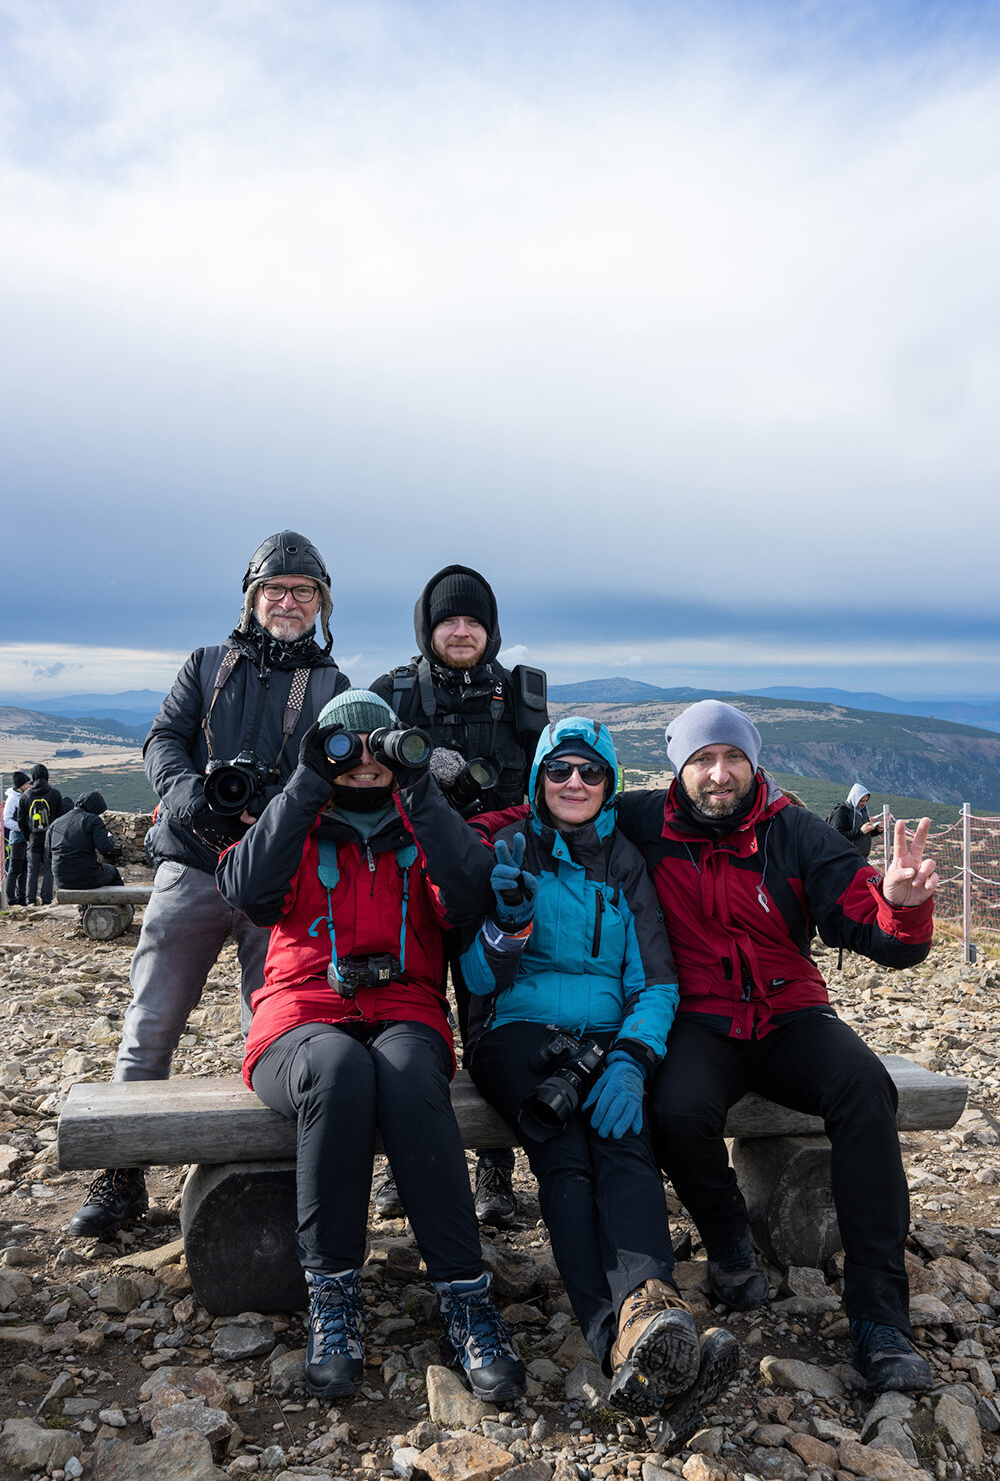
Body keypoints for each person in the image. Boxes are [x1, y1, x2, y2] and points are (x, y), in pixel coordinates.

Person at [615, 699, 939, 1394]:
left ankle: (880, 1321)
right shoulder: (642, 821)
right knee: (674, 1109)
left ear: (753, 762)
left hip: (791, 1015)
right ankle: (730, 1238)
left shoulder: (796, 832)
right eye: (703, 759)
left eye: (733, 757)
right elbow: (557, 815)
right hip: (700, 1020)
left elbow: (873, 932)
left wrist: (902, 905)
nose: (720, 773)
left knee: (864, 1087)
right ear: (680, 768)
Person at [217, 689, 525, 1405]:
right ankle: (333, 1296)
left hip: (406, 1006)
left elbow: (473, 895)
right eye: (342, 748)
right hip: (299, 1017)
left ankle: (465, 1296)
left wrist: (418, 788)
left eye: (377, 746)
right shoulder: (294, 823)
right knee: (337, 1068)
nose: (362, 763)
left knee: (412, 1071)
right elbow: (246, 887)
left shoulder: (424, 826)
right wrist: (306, 781)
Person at [68, 530, 349, 1239]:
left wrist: (280, 806)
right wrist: (190, 793)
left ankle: (272, 1169)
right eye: (275, 589)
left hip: (275, 876)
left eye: (303, 591)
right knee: (152, 1022)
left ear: (320, 604)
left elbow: (337, 772)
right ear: (252, 597)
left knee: (276, 1023)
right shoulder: (206, 665)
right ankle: (122, 1172)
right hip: (191, 864)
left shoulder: (330, 686)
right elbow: (164, 736)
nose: (288, 602)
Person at [460, 716, 709, 1418]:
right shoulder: (509, 849)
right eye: (560, 770)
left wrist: (632, 1056)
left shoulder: (625, 863)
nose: (575, 782)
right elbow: (477, 979)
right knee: (564, 1153)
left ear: (610, 784)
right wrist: (506, 927)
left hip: (604, 1037)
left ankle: (648, 1310)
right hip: (514, 1032)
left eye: (590, 771)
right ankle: (616, 1339)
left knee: (625, 1146)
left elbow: (655, 982)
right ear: (540, 781)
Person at [370, 564, 548, 1226]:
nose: (463, 631)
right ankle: (399, 1166)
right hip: (406, 885)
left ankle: (495, 1172)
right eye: (450, 620)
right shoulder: (390, 693)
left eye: (474, 620)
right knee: (406, 1025)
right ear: (428, 627)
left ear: (492, 629)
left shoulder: (522, 698)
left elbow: (545, 794)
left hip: (494, 886)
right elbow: (356, 781)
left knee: (491, 1024)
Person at [47, 791, 124, 891]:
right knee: (112, 871)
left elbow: (49, 854)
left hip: (61, 880)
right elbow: (104, 848)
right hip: (87, 877)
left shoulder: (56, 823)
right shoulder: (93, 820)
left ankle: (84, 906)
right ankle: (125, 905)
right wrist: (110, 838)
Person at [18, 764, 62, 906]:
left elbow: (21, 820)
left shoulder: (26, 795)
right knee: (49, 869)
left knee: (32, 870)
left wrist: (27, 836)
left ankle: (30, 900)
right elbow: (61, 818)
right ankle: (47, 899)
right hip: (51, 838)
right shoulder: (54, 793)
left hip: (34, 837)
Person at [829, 782, 883, 860]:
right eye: (861, 801)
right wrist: (861, 831)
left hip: (861, 857)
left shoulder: (863, 811)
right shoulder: (841, 812)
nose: (864, 804)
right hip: (846, 858)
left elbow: (863, 835)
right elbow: (837, 836)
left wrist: (876, 830)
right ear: (854, 798)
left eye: (866, 801)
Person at [3, 772, 30, 906]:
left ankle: (21, 898)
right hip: (17, 839)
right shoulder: (13, 799)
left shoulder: (24, 796)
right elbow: (6, 820)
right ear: (20, 786)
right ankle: (11, 899)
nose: (29, 786)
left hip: (26, 838)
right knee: (15, 870)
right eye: (26, 784)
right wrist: (22, 828)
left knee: (24, 870)